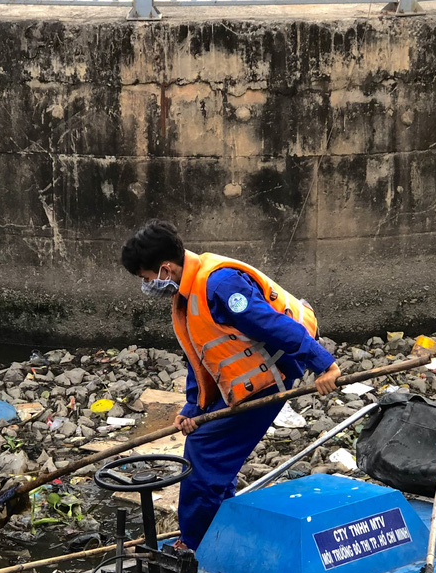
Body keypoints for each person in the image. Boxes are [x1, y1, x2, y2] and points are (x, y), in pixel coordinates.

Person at [121, 219, 340, 551]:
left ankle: (195, 546)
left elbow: (271, 324)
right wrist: (194, 407)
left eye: (147, 278)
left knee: (205, 451)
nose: (148, 285)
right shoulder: (187, 291)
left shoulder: (219, 284)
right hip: (252, 371)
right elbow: (203, 355)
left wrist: (324, 364)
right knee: (205, 443)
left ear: (165, 269)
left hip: (274, 369)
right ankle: (221, 529)